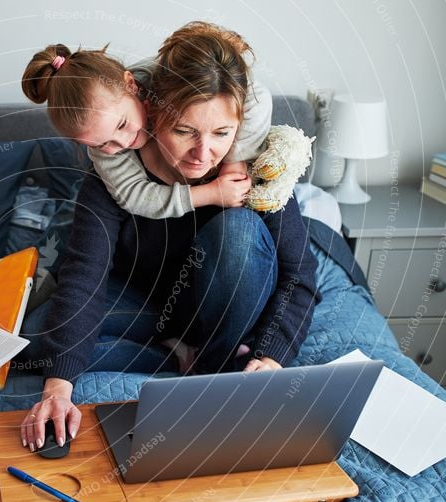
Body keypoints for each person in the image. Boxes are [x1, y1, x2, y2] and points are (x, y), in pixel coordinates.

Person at [18, 22, 319, 451]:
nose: (203, 153)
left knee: (238, 230)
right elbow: (85, 273)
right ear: (152, 112)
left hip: (226, 308)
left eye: (221, 133)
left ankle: (209, 366)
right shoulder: (114, 176)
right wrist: (58, 391)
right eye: (184, 132)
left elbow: (300, 275)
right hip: (153, 305)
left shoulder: (256, 169)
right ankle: (176, 355)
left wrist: (270, 359)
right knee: (33, 342)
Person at [21, 21, 273, 219]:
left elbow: (257, 96)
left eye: (121, 125)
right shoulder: (105, 152)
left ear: (131, 85)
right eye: (100, 144)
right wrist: (209, 193)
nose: (122, 143)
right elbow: (135, 196)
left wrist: (235, 160)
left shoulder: (165, 78)